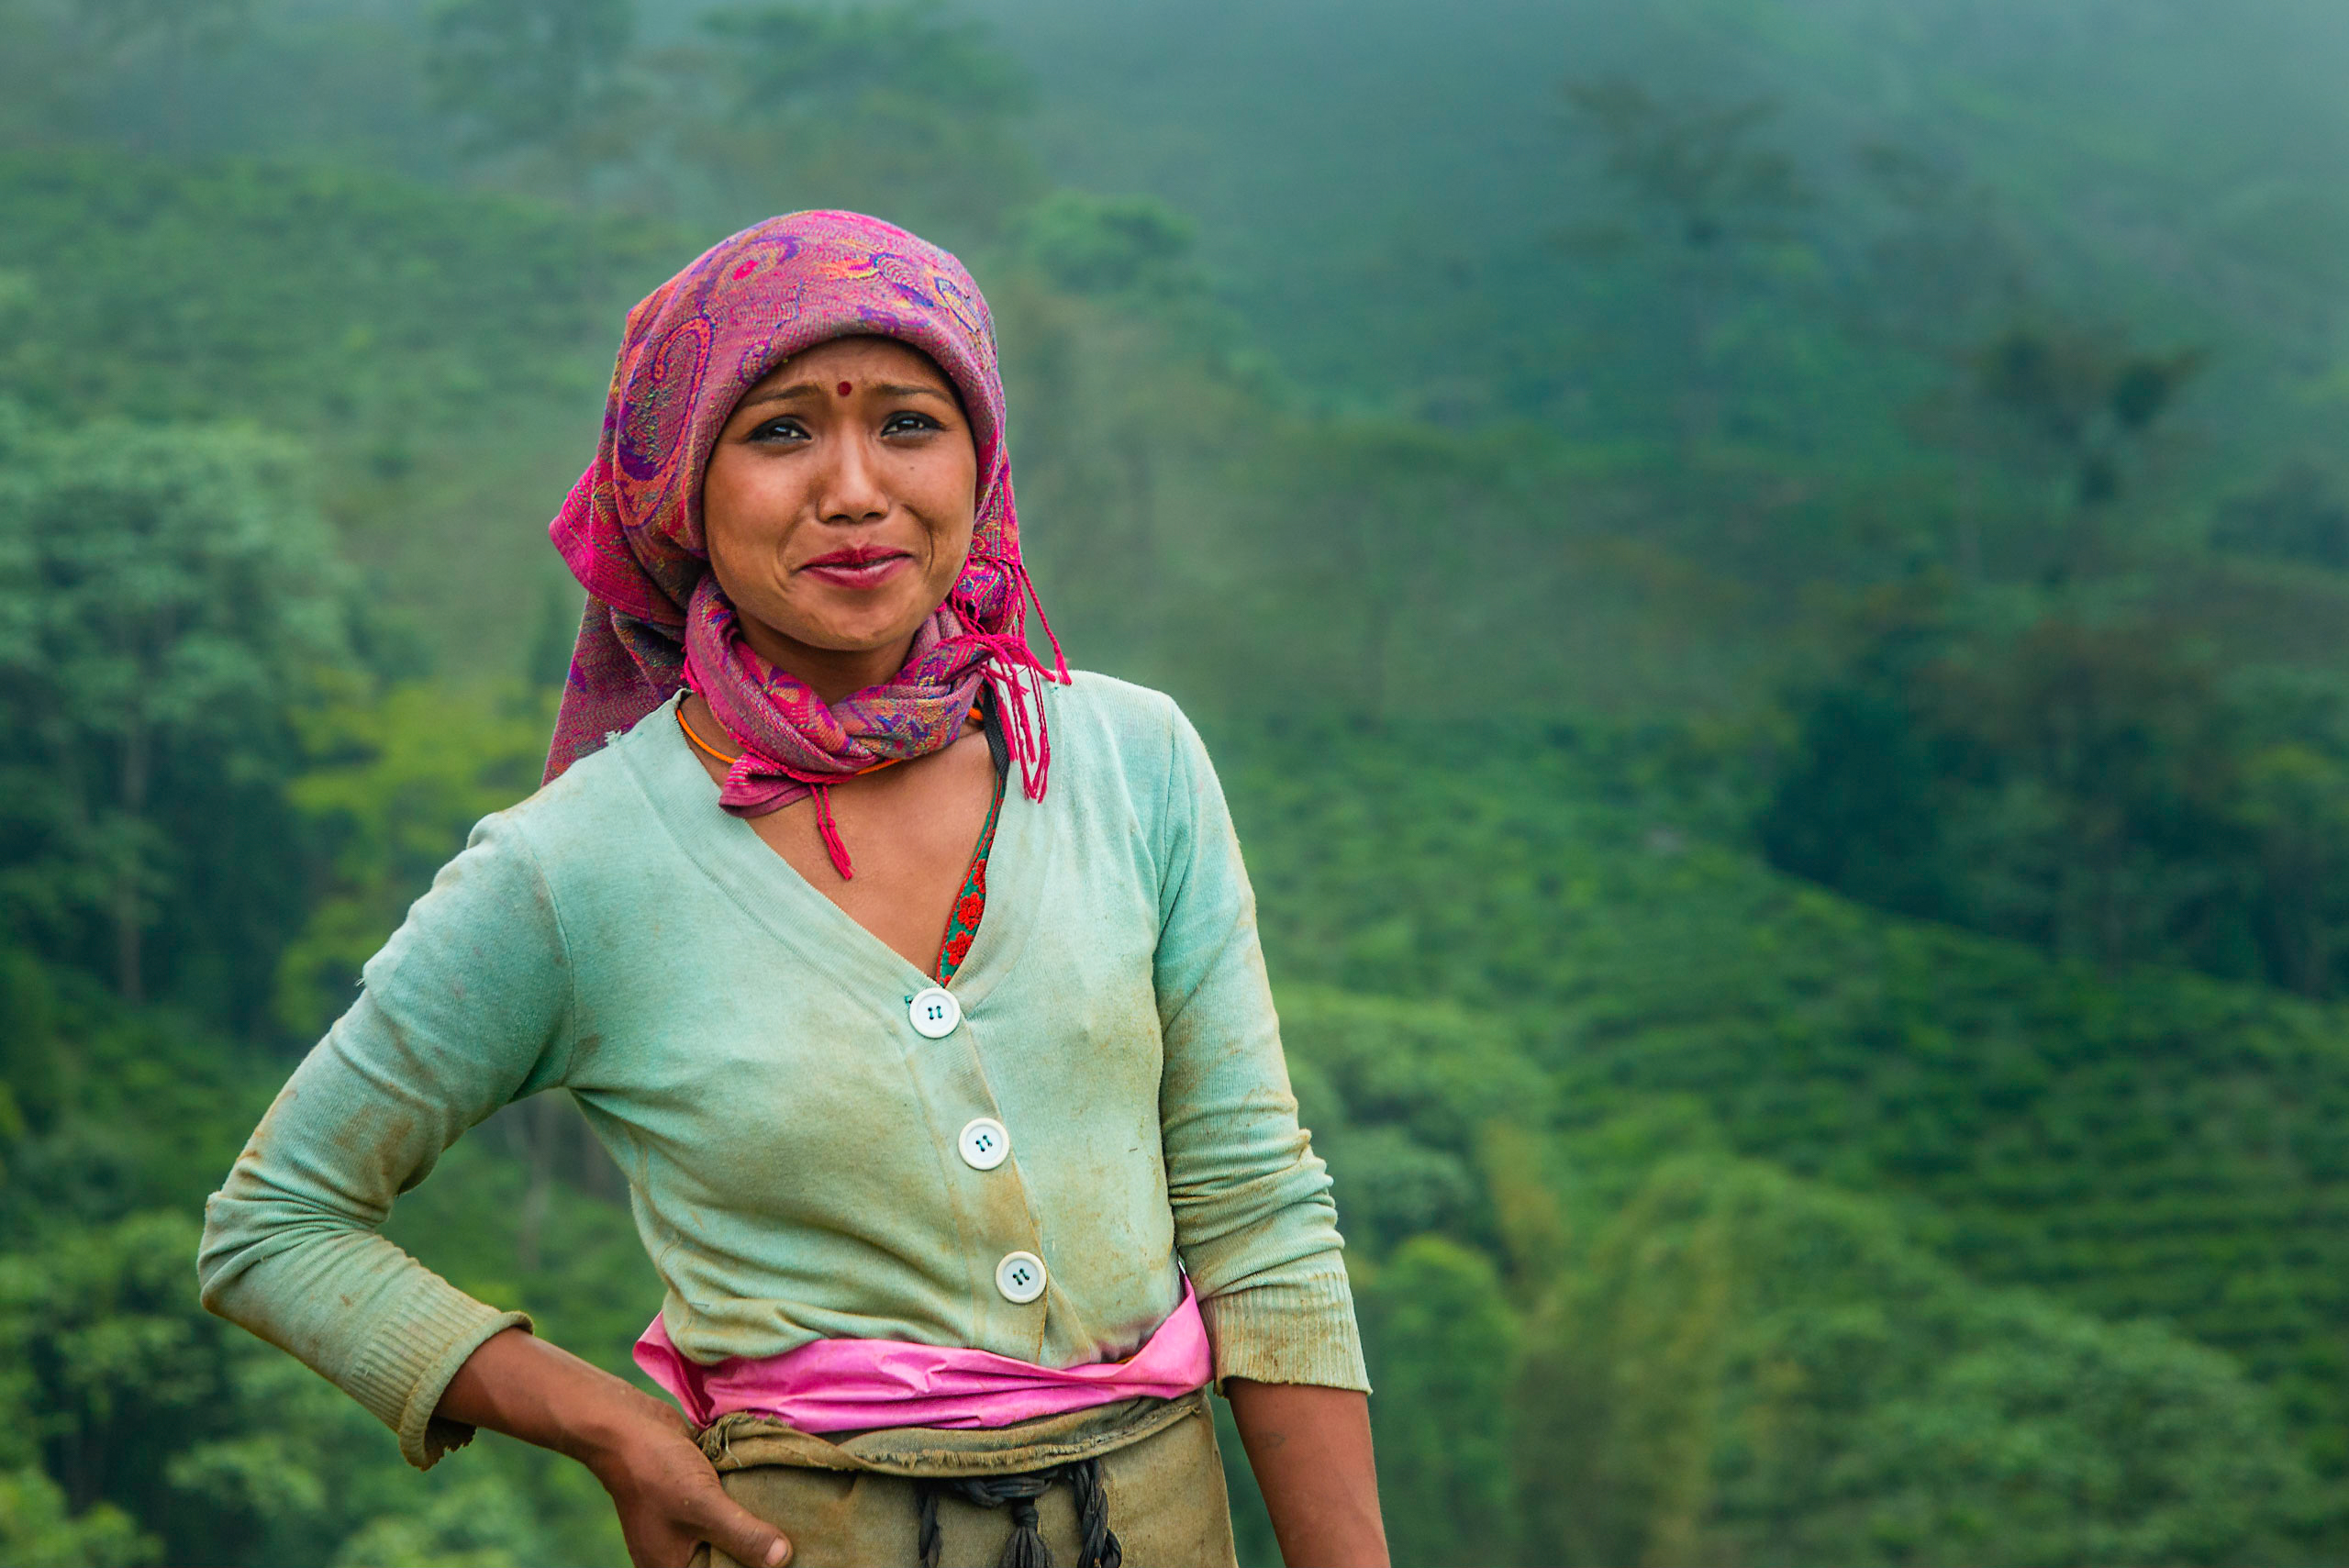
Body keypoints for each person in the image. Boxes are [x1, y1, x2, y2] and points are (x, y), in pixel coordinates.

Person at [196, 210, 1386, 1568]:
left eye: (910, 422)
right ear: (680, 489)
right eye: (778, 433)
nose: (856, 488)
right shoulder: (573, 867)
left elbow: (1256, 1213)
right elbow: (274, 1223)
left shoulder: (1132, 762)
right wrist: (610, 1424)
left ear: (982, 460)